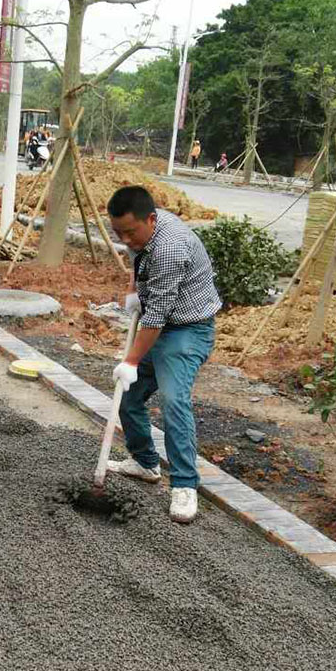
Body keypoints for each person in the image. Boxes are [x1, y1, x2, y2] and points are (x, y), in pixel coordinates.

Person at [105, 186, 222, 524]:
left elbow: (156, 316)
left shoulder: (170, 248)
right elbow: (138, 264)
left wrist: (130, 361)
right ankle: (145, 462)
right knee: (128, 395)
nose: (126, 239)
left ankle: (185, 485)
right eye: (119, 233)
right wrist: (132, 291)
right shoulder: (141, 233)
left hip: (187, 329)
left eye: (131, 232)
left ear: (151, 219)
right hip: (160, 323)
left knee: (173, 400)